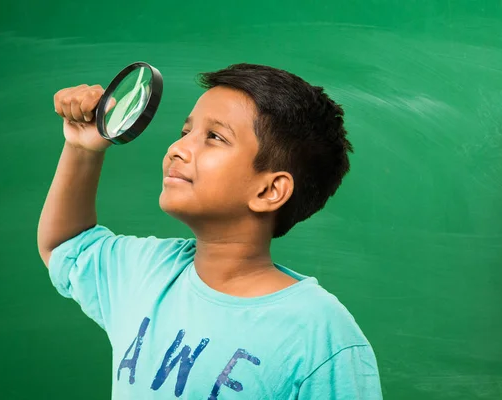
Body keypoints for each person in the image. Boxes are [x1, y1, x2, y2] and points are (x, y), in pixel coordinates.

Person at [37, 63, 383, 399]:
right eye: (186, 132)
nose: (177, 149)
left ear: (269, 190)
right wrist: (81, 149)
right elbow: (65, 246)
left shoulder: (319, 335)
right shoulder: (147, 271)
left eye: (214, 137)